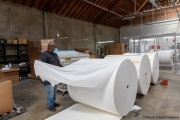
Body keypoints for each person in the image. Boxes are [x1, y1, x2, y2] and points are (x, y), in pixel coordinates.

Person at [40, 42, 63, 112]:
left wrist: (65, 68)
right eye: (54, 47)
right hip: (48, 78)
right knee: (51, 92)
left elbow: (58, 64)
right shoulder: (44, 55)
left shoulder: (55, 54)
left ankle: (53, 102)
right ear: (51, 47)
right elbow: (43, 66)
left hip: (54, 77)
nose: (55, 48)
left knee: (54, 91)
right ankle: (50, 105)